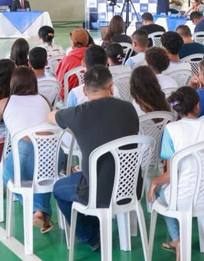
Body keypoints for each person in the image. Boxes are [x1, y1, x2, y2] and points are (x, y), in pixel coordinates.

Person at [50, 65, 140, 251]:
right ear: (111, 87)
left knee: (59, 188)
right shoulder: (129, 108)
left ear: (84, 90)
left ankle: (90, 236)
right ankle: (97, 226)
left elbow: (50, 117)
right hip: (130, 187)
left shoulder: (78, 113)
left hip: (96, 191)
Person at [148, 87, 204, 261]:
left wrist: (154, 182)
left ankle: (177, 239)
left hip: (182, 199)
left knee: (159, 191)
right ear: (198, 105)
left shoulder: (171, 130)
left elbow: (170, 175)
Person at [0, 66, 53, 230]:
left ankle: (36, 209)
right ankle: (41, 212)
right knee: (44, 180)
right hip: (53, 152)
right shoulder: (43, 99)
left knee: (8, 177)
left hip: (25, 150)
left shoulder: (5, 102)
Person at [55, 28, 90, 99]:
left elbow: (59, 82)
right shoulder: (93, 56)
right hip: (90, 95)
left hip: (68, 98)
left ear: (73, 42)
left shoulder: (67, 60)